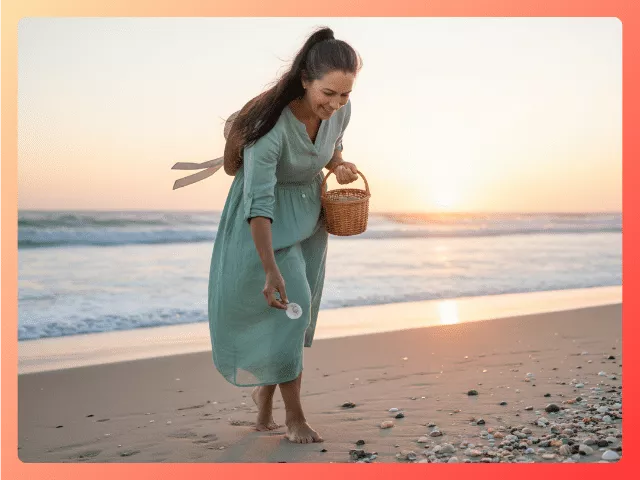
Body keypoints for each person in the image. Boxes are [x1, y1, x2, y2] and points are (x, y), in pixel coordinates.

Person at [206, 27, 362, 444]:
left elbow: (331, 147)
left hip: (309, 219)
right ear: (306, 81)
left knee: (293, 317)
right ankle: (296, 418)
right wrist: (269, 268)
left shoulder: (341, 112)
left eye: (344, 95)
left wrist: (338, 165)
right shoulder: (270, 128)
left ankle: (265, 402)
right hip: (263, 220)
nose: (336, 104)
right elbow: (258, 205)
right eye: (328, 93)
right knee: (294, 311)